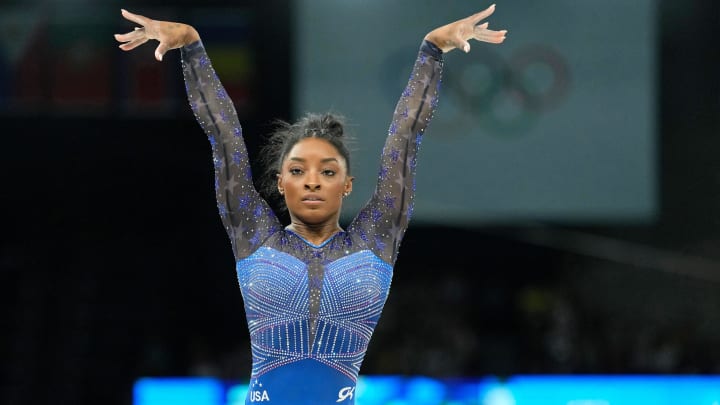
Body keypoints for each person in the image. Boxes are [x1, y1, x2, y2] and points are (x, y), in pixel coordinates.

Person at [115, 5, 506, 404]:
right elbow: (223, 134)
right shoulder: (254, 235)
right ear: (280, 184)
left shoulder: (376, 237)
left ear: (347, 185)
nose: (313, 181)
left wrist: (431, 51)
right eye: (298, 171)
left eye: (328, 172)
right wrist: (191, 46)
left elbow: (404, 141)